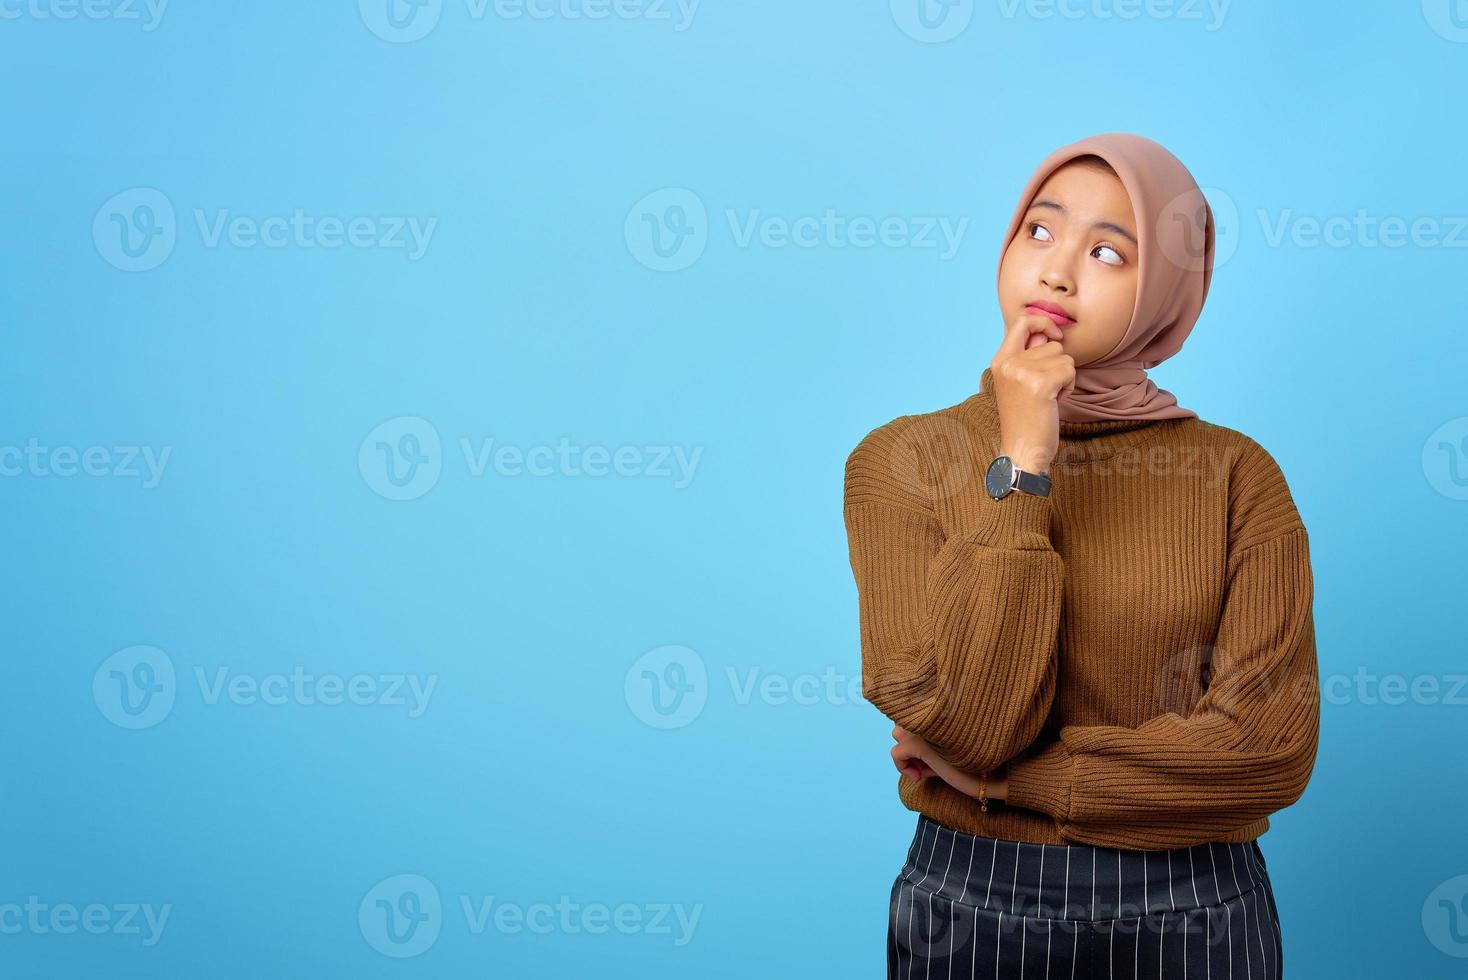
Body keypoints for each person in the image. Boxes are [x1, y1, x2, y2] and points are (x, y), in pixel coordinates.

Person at [841, 132, 1320, 978]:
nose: (1057, 273)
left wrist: (1007, 788)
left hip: (1195, 912)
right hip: (974, 903)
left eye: (1108, 251)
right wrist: (1022, 465)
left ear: (1167, 292)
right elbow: (969, 722)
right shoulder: (900, 460)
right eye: (1039, 231)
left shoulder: (1237, 475)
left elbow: (1266, 750)